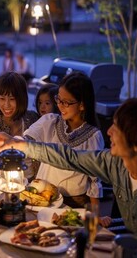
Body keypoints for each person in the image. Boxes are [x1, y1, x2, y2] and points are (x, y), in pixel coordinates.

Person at [0, 96, 137, 257]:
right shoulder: (115, 163)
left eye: (117, 127)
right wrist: (17, 143)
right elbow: (69, 156)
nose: (109, 131)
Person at [24, 72, 110, 226]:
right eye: (58, 99)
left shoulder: (93, 136)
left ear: (82, 104)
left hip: (73, 205)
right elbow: (26, 141)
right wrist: (10, 142)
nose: (60, 106)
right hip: (41, 198)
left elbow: (94, 181)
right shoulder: (49, 122)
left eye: (66, 102)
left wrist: (95, 216)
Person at [0, 71, 39, 178]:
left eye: (12, 99)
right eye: (2, 99)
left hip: (32, 185)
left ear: (22, 99)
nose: (6, 105)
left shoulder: (33, 119)